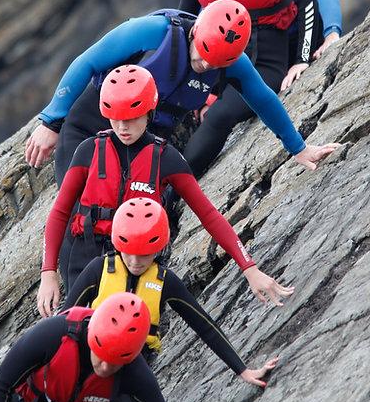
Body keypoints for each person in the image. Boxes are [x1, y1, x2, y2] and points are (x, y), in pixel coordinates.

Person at [37, 65, 294, 312]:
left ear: (149, 112)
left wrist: (249, 268)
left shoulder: (166, 158)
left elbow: (208, 215)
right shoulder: (89, 150)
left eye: (131, 117)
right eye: (116, 118)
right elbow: (60, 213)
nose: (123, 127)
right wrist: (48, 273)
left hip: (137, 262)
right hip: (84, 257)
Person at [24, 0, 339, 182]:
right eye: (201, 53)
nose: (203, 64)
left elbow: (264, 101)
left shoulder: (231, 62)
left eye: (212, 63)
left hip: (145, 136)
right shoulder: (155, 31)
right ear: (196, 31)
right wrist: (52, 121)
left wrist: (299, 148)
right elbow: (87, 61)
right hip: (94, 120)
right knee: (79, 204)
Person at [64, 198, 281, 388]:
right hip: (90, 353)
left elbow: (204, 325)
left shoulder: (165, 281)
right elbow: (64, 319)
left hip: (132, 364)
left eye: (144, 254)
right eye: (129, 252)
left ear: (159, 248)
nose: (135, 262)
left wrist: (243, 370)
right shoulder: (98, 269)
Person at [178, 0, 319, 175]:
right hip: (217, 62)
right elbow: (185, 28)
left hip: (267, 60)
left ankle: (173, 187)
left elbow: (308, 2)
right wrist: (201, 91)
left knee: (220, 116)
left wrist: (302, 58)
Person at [0, 292, 167, 402]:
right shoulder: (54, 333)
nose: (104, 367)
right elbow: (2, 385)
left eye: (114, 362)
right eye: (101, 355)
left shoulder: (136, 374)